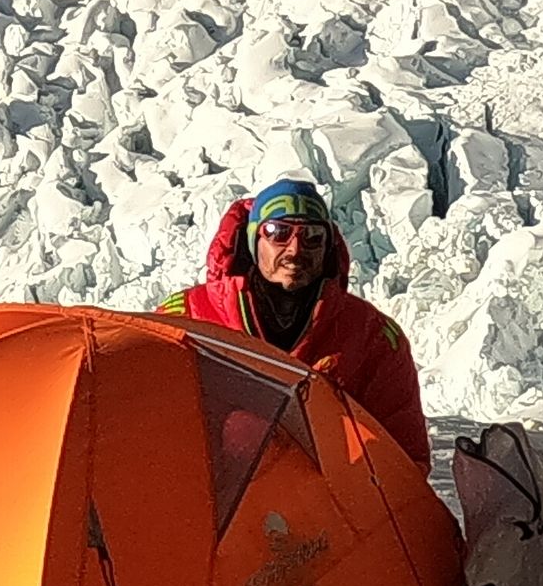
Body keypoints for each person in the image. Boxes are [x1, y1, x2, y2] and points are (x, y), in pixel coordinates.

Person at [164, 176, 427, 456]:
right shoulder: (186, 318)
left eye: (312, 237)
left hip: (324, 497)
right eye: (278, 232)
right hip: (202, 495)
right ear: (253, 240)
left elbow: (403, 459)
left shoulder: (373, 337)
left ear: (327, 247)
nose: (295, 249)